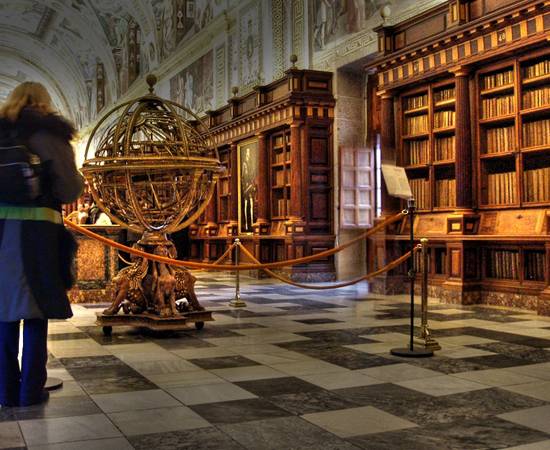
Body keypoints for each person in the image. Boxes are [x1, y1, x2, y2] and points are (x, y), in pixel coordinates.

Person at [0, 82, 84, 407]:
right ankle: (31, 390)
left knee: (4, 312)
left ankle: (5, 390)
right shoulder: (49, 135)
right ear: (44, 103)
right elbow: (68, 190)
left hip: (2, 232)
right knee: (36, 311)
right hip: (37, 235)